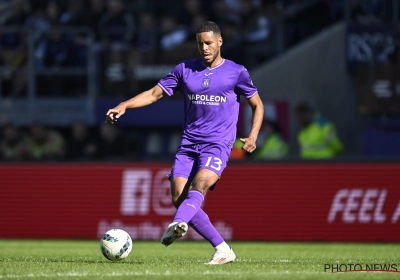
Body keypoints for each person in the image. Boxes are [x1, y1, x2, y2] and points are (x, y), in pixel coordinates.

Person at [106, 21, 264, 264]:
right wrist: (124, 105)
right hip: (189, 144)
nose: (205, 48)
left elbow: (257, 105)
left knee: (199, 185)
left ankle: (178, 223)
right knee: (179, 196)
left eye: (209, 43)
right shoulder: (184, 70)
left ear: (220, 42)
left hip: (218, 143)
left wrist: (253, 135)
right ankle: (223, 249)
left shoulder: (237, 72)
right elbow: (153, 94)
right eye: (200, 43)